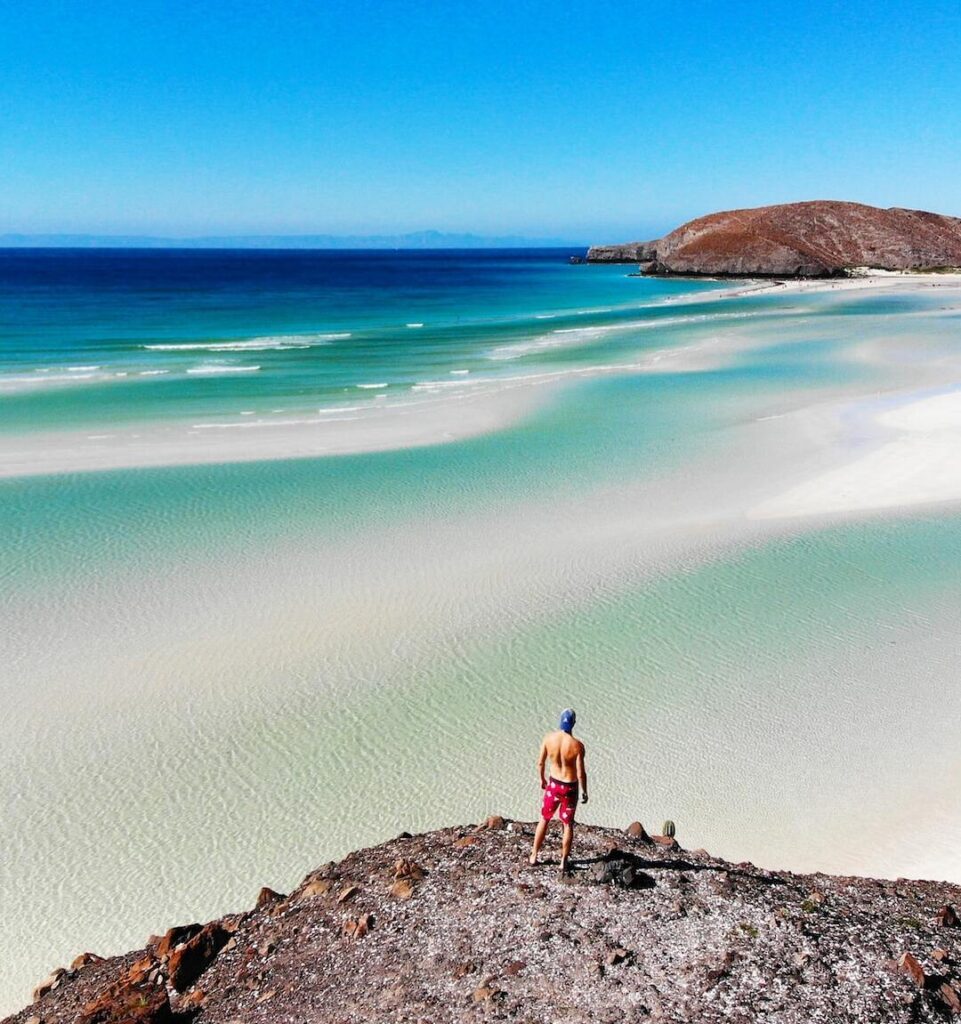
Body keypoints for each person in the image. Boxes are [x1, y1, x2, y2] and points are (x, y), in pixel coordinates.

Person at [528, 708, 588, 875]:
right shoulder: (577, 746)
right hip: (569, 787)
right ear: (574, 723)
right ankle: (563, 861)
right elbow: (581, 773)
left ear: (560, 721)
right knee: (567, 824)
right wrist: (584, 791)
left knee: (544, 819)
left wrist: (542, 780)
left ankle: (534, 855)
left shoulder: (549, 739)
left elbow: (540, 763)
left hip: (553, 784)